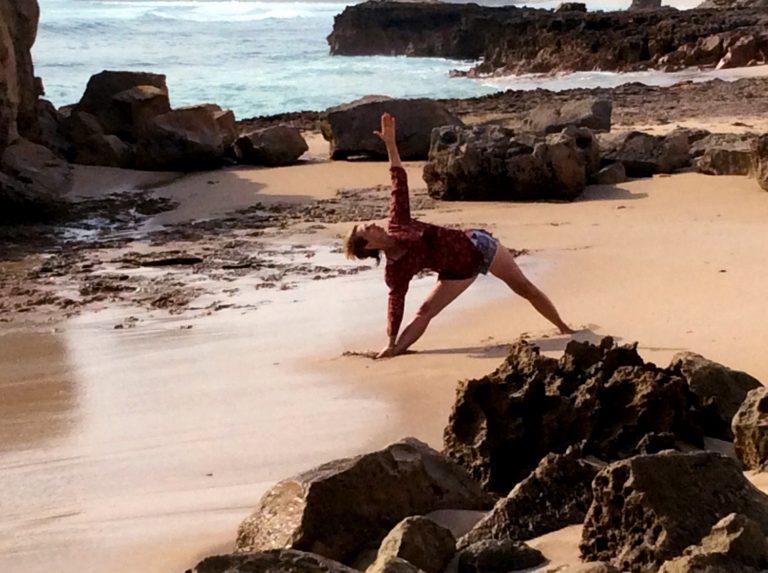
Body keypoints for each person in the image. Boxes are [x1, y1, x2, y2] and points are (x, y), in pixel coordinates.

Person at [344, 112, 574, 359]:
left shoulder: (399, 222)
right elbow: (395, 304)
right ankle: (394, 350)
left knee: (524, 287)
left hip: (478, 245)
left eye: (369, 224)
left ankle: (564, 327)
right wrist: (390, 338)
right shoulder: (395, 270)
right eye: (368, 229)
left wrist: (390, 144)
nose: (374, 224)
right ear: (368, 245)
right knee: (424, 311)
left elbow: (398, 180)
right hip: (457, 274)